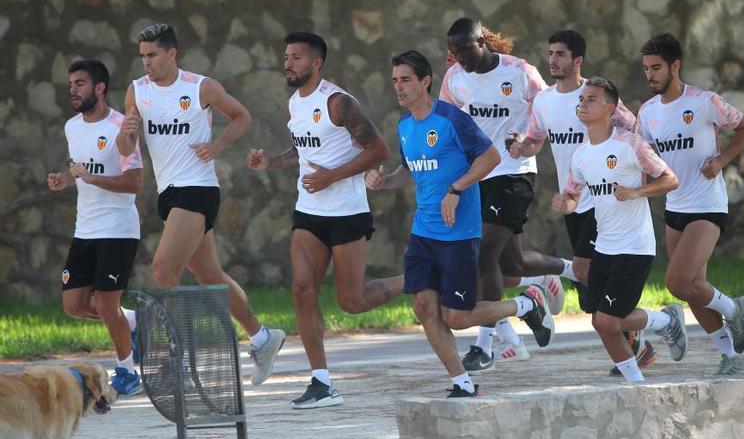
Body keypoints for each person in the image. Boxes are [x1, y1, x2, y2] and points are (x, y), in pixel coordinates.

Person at [367, 50, 554, 397]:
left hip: (459, 232)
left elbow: (490, 157)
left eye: (405, 79)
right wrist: (384, 181)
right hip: (423, 232)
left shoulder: (452, 119)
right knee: (424, 307)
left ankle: (527, 304)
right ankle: (462, 383)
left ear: (425, 82)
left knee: (456, 316)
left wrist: (457, 189)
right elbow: (410, 171)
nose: (399, 87)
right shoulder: (405, 126)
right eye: (395, 80)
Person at [115, 23, 285, 386]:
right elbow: (126, 151)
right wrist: (127, 134)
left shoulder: (200, 86)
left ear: (172, 53)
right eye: (142, 56)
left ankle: (180, 360)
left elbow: (242, 115)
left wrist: (219, 146)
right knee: (210, 276)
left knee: (163, 271)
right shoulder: (136, 92)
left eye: (153, 55)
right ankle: (263, 338)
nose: (146, 62)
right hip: (169, 195)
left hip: (198, 189)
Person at [247, 32, 404, 409]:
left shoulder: (338, 102)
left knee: (352, 301)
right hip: (309, 214)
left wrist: (333, 176)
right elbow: (301, 153)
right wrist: (270, 161)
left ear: (316, 63)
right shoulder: (294, 104)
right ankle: (321, 381)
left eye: (296, 58)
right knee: (303, 290)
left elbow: (378, 149)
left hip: (348, 213)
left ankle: (419, 275)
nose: (288, 63)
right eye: (286, 57)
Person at [508, 30, 657, 374]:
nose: (553, 60)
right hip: (574, 199)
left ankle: (638, 337)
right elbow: (534, 141)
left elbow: (636, 134)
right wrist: (520, 147)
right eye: (550, 54)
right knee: (588, 282)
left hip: (604, 201)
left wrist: (633, 181)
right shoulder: (543, 101)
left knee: (586, 273)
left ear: (578, 61)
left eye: (560, 54)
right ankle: (636, 340)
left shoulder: (598, 95)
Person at [440, 18, 574, 372]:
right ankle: (558, 275)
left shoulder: (520, 72)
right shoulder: (454, 78)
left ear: (481, 41)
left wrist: (528, 143)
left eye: (465, 49)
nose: (460, 58)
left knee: (482, 254)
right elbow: (445, 123)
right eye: (454, 52)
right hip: (476, 176)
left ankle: (484, 347)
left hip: (514, 174)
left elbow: (545, 113)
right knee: (509, 263)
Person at [637, 33, 744, 375]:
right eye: (646, 69)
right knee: (691, 289)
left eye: (657, 67)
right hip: (675, 206)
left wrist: (722, 160)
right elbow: (645, 160)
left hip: (708, 205)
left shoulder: (705, 102)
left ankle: (735, 310)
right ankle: (731, 356)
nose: (650, 75)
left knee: (676, 281)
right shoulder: (646, 113)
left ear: (676, 66)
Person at [552, 77, 686, 382]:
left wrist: (635, 192)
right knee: (600, 322)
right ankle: (638, 373)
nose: (582, 104)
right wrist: (565, 204)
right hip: (604, 247)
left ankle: (662, 327)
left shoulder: (631, 144)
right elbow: (574, 197)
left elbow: (670, 180)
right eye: (581, 99)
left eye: (591, 99)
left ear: (610, 108)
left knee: (609, 320)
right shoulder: (581, 154)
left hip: (635, 247)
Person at [48, 59, 142, 395]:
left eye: (80, 83)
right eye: (71, 84)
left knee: (105, 304)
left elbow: (134, 183)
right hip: (84, 230)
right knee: (73, 305)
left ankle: (127, 372)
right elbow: (81, 171)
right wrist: (65, 179)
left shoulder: (122, 128)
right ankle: (132, 321)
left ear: (99, 88)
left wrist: (91, 178)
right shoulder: (72, 127)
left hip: (118, 230)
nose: (73, 90)